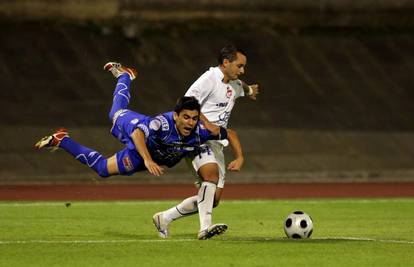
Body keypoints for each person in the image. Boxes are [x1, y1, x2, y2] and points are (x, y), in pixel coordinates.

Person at [34, 62, 235, 186]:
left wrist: (240, 156)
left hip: (144, 155)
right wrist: (148, 161)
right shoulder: (160, 124)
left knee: (103, 170)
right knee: (115, 113)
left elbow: (229, 133)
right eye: (186, 118)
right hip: (139, 132)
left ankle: (62, 140)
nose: (190, 123)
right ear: (176, 116)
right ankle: (125, 76)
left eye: (194, 118)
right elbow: (139, 132)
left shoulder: (201, 131)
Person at [152, 44, 259, 240]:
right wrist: (206, 123)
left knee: (213, 199)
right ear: (225, 63)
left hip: (217, 142)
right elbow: (185, 101)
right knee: (210, 176)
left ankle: (165, 217)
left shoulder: (234, 84)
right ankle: (205, 228)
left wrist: (249, 90)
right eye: (239, 65)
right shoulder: (208, 79)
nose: (242, 70)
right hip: (197, 138)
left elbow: (240, 86)